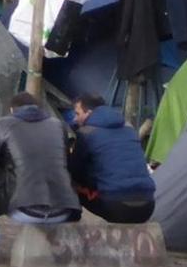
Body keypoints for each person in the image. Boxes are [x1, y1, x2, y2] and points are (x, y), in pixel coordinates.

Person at [0, 91, 80, 262]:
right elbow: (66, 164)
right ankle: (56, 245)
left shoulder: (5, 124)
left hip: (25, 210)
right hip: (64, 210)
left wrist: (5, 167)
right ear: (40, 108)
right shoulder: (58, 125)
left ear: (12, 109)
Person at [67, 94, 156, 223]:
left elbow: (75, 171)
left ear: (89, 113)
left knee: (71, 184)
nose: (75, 119)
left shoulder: (86, 132)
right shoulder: (129, 128)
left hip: (116, 206)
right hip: (148, 205)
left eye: (77, 113)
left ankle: (72, 234)